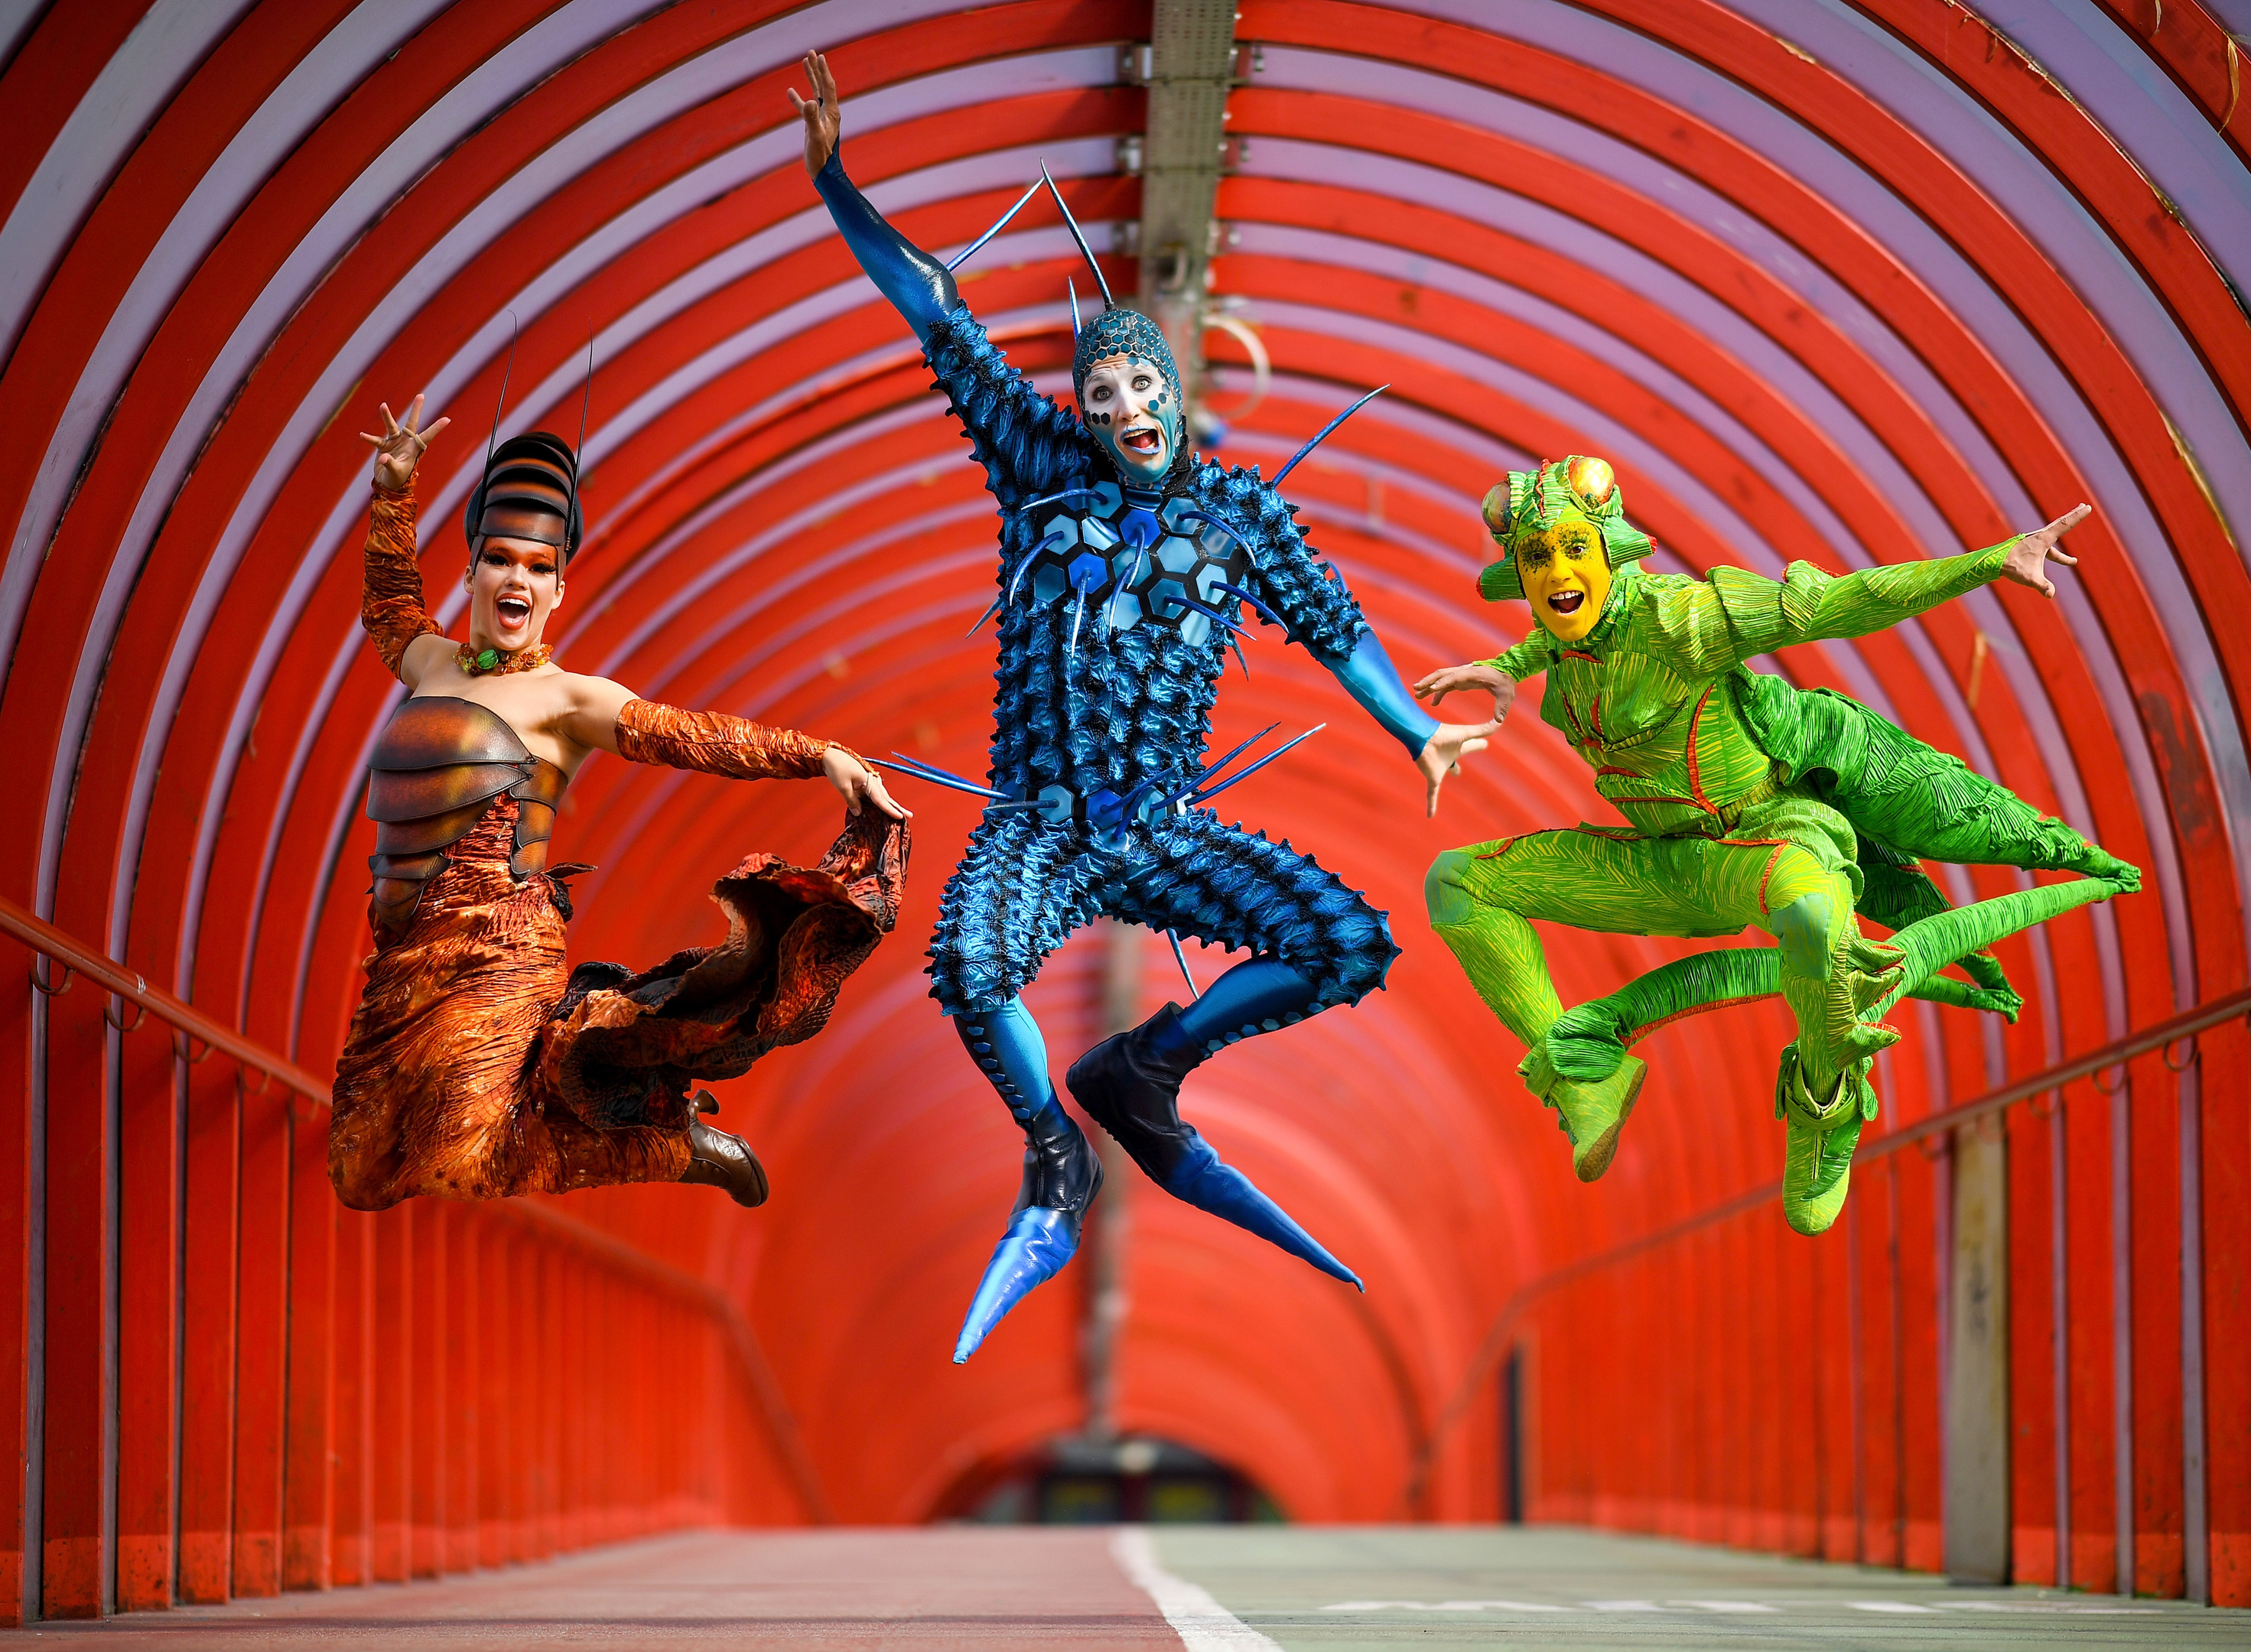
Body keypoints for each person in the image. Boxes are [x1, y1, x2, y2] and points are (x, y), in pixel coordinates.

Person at [791, 51, 1501, 1359]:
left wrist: (1414, 732)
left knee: (1343, 943)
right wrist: (837, 178)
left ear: (1174, 390)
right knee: (968, 962)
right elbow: (936, 312)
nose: (1123, 409)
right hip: (1040, 820)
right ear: (1086, 408)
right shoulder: (1037, 465)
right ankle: (1057, 1155)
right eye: (1101, 394)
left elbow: (1337, 631)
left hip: (1162, 826)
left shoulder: (1243, 512)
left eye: (1140, 387)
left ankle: (1145, 1068)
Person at [1417, 457, 2140, 1233]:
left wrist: (1991, 561)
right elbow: (1558, 639)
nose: (1558, 571)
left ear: (1608, 548)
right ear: (1518, 573)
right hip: (1663, 866)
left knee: (1813, 913)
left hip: (1758, 842)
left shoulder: (1686, 620)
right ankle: (1580, 1081)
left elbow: (1836, 604)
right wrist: (1502, 667)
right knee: (1456, 882)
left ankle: (1825, 1103)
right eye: (1536, 556)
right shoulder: (1563, 635)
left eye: (1572, 547)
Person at [328, 394, 909, 1213]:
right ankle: (613, 1112)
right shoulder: (430, 663)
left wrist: (819, 757)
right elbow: (387, 606)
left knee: (458, 1159)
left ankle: (674, 1144)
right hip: (402, 956)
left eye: (537, 568)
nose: (515, 579)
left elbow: (690, 735)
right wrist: (394, 491)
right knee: (359, 1171)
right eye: (500, 560)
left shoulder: (569, 698)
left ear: (559, 591)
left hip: (500, 950)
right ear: (470, 574)